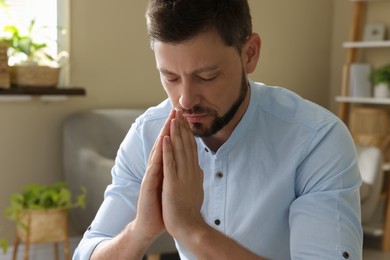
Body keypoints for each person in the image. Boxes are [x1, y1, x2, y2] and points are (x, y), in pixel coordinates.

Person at [73, 0, 363, 259]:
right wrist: (139, 231)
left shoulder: (317, 139)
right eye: (170, 77)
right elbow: (88, 252)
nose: (185, 99)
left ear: (250, 53)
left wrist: (191, 228)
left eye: (206, 76)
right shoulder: (148, 134)